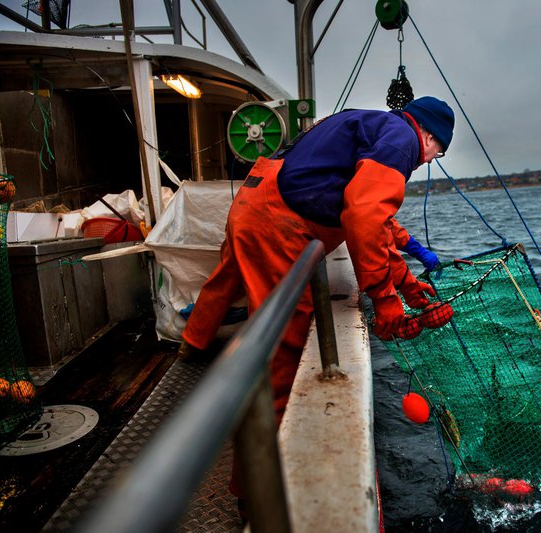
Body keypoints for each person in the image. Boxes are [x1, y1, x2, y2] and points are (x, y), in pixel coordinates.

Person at [178, 95, 454, 508]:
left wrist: (407, 284)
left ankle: (193, 344)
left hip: (254, 199)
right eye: (439, 150)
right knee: (281, 352)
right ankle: (250, 489)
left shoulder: (377, 127)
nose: (431, 159)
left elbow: (373, 220)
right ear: (428, 135)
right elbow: (363, 217)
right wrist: (385, 298)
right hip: (279, 224)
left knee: (225, 279)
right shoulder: (401, 143)